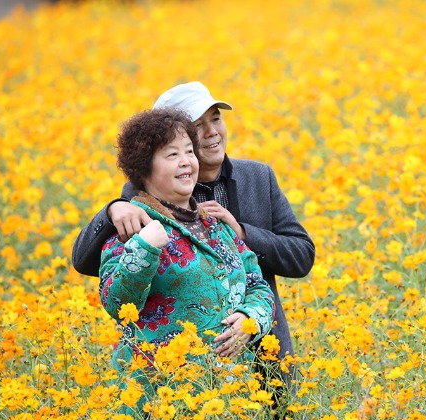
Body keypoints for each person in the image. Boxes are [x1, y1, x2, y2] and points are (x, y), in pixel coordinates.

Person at [72, 82, 315, 395]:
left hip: (260, 355)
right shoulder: (143, 203)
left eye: (215, 119)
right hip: (169, 381)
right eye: (197, 126)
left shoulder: (258, 177)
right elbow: (96, 269)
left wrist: (242, 234)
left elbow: (300, 256)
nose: (211, 132)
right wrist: (113, 210)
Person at [99, 108, 274, 411]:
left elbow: (257, 284)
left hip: (228, 400)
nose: (186, 161)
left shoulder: (217, 226)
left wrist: (251, 319)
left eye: (189, 152)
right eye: (171, 155)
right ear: (144, 169)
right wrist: (144, 248)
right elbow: (116, 303)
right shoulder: (132, 227)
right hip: (159, 400)